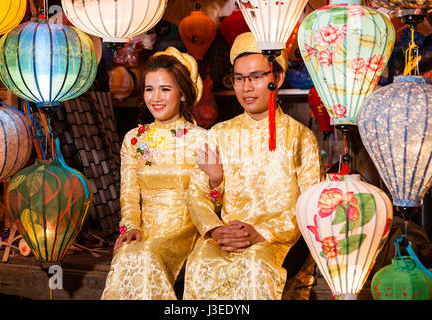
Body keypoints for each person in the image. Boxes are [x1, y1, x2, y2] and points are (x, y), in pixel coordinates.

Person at [183, 32, 324, 300]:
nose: (246, 87)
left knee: (256, 263)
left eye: (257, 77)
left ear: (278, 78)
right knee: (201, 263)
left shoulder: (300, 137)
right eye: (239, 78)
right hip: (225, 239)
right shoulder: (218, 133)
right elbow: (196, 194)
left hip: (280, 241)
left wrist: (262, 233)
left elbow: (310, 204)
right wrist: (215, 229)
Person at [101, 47, 208, 300]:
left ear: (182, 94)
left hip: (184, 229)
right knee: (129, 252)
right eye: (149, 89)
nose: (155, 98)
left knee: (147, 254)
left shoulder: (201, 139)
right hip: (144, 229)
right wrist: (129, 226)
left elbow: (206, 196)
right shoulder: (134, 139)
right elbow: (128, 194)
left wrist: (214, 182)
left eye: (165, 89)